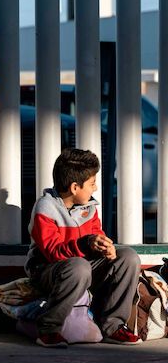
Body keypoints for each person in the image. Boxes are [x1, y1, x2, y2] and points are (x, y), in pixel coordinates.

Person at [25, 148, 141, 348]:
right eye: (92, 183)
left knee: (129, 257)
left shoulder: (89, 207)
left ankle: (112, 325)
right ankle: (49, 329)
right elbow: (53, 252)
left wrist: (105, 247)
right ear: (74, 187)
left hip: (83, 267)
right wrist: (86, 244)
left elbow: (97, 233)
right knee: (79, 266)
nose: (95, 188)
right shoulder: (45, 208)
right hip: (48, 271)